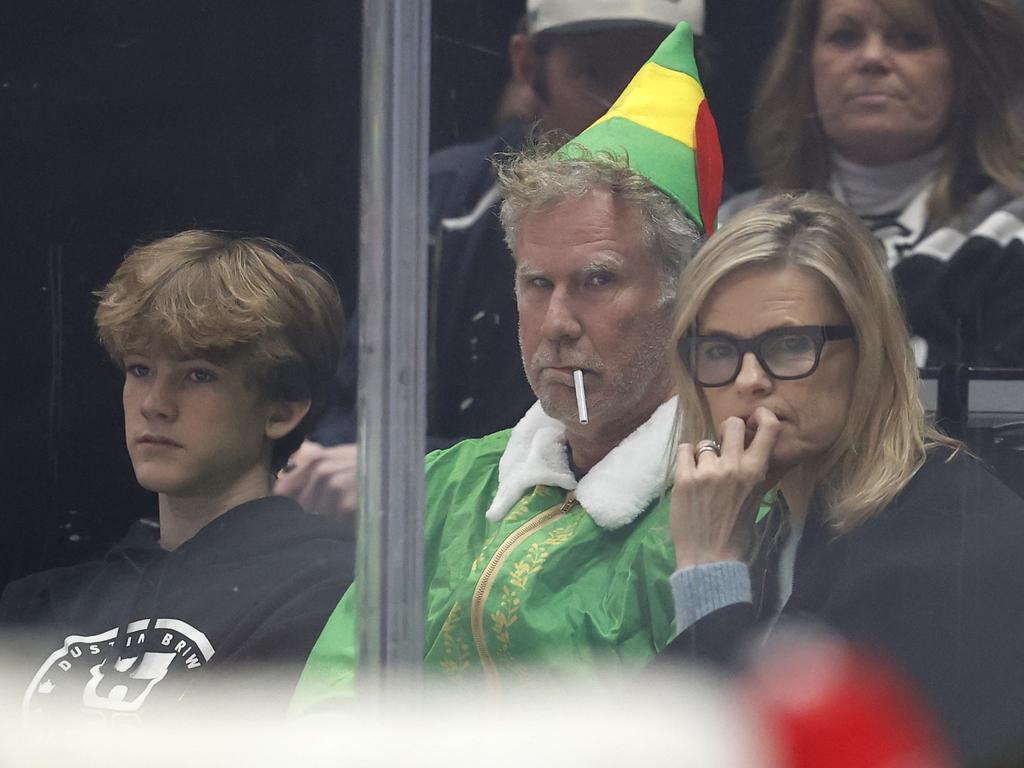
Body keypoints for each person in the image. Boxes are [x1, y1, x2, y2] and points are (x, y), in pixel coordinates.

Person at [291, 22, 722, 709]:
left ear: (686, 296)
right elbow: (327, 707)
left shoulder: (721, 505)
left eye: (597, 281)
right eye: (536, 283)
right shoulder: (439, 486)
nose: (557, 325)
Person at [275, 0, 707, 520]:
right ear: (528, 67)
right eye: (594, 72)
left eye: (649, 75)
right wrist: (391, 468)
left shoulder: (723, 237)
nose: (625, 107)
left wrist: (409, 471)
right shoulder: (447, 204)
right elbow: (351, 414)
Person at [661, 191, 1024, 765]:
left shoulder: (946, 549)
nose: (748, 380)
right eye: (718, 350)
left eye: (787, 344)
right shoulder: (776, 524)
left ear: (870, 352)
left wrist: (709, 574)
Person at [0, 231, 355, 721]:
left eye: (199, 375)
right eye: (140, 369)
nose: (154, 404)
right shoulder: (36, 603)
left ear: (282, 411)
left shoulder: (335, 586)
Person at [720, 0, 1024, 367]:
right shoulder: (728, 229)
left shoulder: (1010, 236)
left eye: (910, 39)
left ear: (964, 66)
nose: (872, 58)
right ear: (807, 63)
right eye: (845, 37)